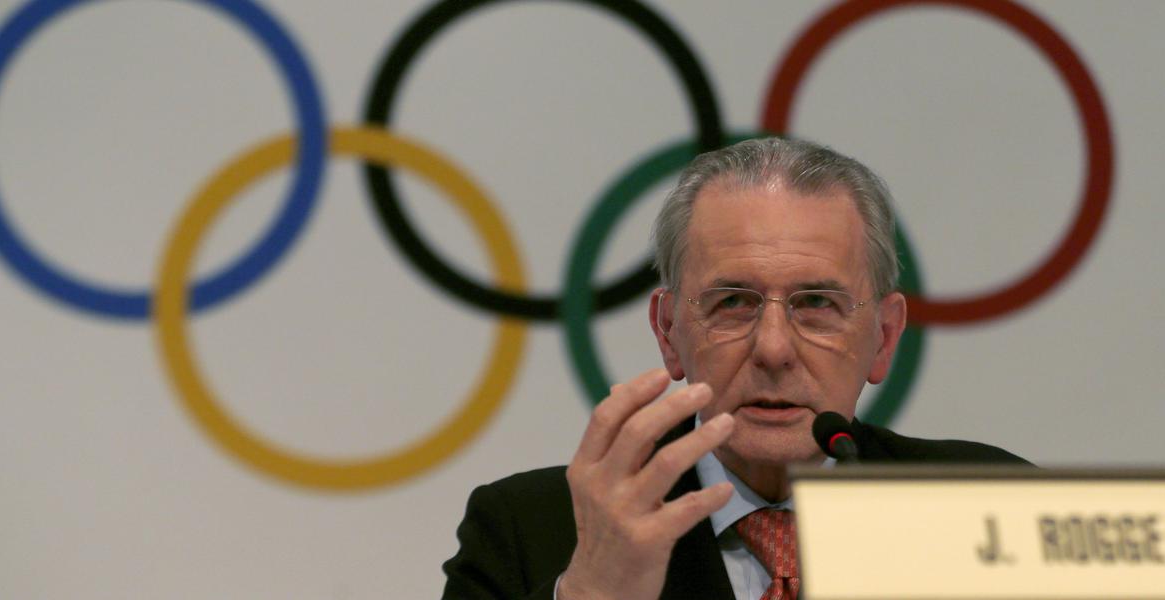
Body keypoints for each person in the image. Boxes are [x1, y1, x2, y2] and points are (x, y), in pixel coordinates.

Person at [441, 136, 1030, 600]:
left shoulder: (990, 510)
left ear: (884, 337)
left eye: (817, 304)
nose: (773, 349)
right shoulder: (531, 530)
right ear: (669, 332)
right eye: (733, 302)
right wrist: (595, 594)